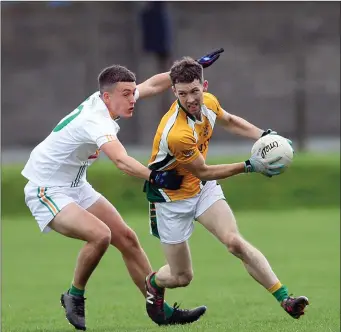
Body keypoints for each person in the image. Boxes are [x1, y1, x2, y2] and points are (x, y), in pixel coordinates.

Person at [21, 49, 223, 331]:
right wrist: (156, 177)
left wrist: (191, 68)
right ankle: (74, 296)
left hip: (75, 184)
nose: (132, 99)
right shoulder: (97, 121)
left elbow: (152, 86)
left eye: (132, 93)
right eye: (126, 94)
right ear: (107, 97)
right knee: (100, 236)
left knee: (126, 238)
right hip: (46, 189)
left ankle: (159, 310)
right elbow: (120, 160)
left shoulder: (109, 99)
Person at [144, 57, 309, 325]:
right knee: (181, 277)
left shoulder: (208, 103)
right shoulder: (176, 133)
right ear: (173, 92)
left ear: (204, 86)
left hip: (202, 190)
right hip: (170, 199)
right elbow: (204, 170)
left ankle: (286, 299)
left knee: (234, 242)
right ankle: (153, 283)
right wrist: (249, 166)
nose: (190, 99)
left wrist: (266, 136)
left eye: (195, 91)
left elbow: (230, 121)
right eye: (183, 93)